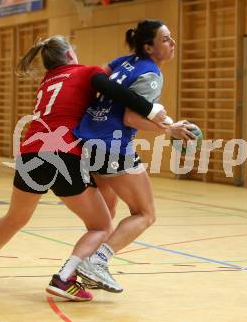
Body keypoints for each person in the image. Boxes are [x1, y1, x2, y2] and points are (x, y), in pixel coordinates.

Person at [0, 35, 168, 301]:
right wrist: (152, 111)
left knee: (15, 217)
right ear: (71, 54)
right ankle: (64, 277)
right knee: (101, 226)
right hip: (63, 153)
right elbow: (118, 93)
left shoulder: (46, 82)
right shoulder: (86, 72)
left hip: (30, 151)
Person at [74, 20, 196, 293]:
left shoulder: (124, 61)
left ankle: (71, 272)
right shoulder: (151, 74)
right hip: (112, 146)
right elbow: (131, 116)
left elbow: (99, 78)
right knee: (145, 213)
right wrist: (170, 129)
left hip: (87, 140)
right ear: (148, 46)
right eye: (165, 39)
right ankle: (98, 262)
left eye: (171, 37)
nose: (172, 43)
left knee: (106, 216)